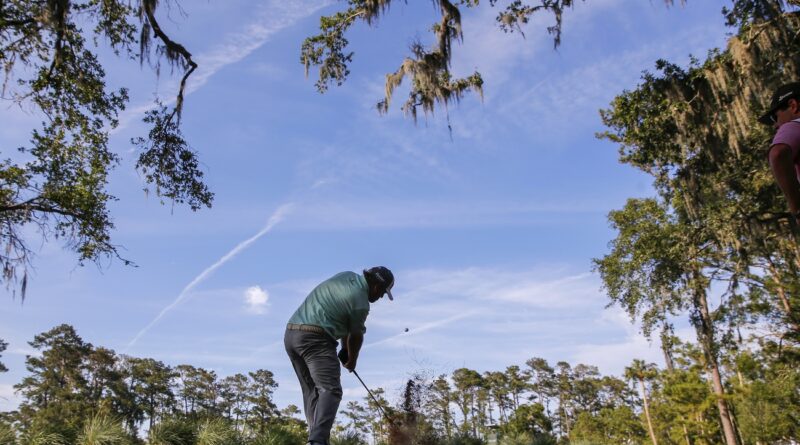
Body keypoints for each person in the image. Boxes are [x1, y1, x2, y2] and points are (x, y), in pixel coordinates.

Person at [284, 266, 395, 445]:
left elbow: (343, 319)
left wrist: (344, 349)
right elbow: (356, 335)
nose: (381, 297)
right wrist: (352, 360)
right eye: (383, 292)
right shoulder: (361, 303)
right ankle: (318, 441)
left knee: (312, 391)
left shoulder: (346, 276)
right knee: (331, 390)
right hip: (316, 339)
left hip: (292, 335)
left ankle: (317, 440)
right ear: (377, 287)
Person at [761, 82, 800, 222]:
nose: (776, 125)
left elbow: (778, 153)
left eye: (775, 117)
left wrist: (797, 210)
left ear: (793, 105)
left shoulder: (794, 125)